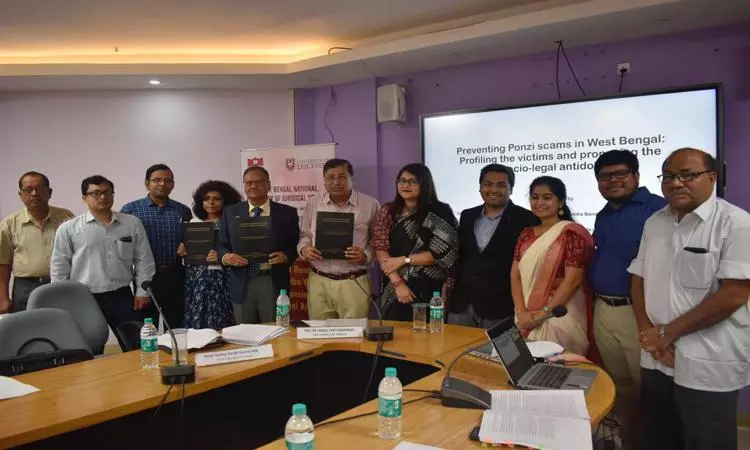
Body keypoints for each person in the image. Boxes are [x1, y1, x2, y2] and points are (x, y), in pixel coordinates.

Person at [628, 148, 750, 450]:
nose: (676, 183)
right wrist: (648, 334)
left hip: (707, 358)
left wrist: (667, 333)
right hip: (657, 355)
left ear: (712, 177)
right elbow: (639, 277)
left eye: (687, 175)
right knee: (659, 436)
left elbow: (734, 294)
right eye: (668, 176)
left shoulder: (736, 223)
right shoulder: (655, 222)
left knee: (707, 440)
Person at [589, 150, 665, 449]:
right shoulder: (604, 214)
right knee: (619, 385)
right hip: (603, 308)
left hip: (639, 312)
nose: (613, 181)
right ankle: (630, 441)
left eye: (621, 173)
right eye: (605, 176)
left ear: (636, 176)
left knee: (647, 386)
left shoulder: (658, 210)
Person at [50, 175, 155, 346]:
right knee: (90, 346)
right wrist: (64, 300)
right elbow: (59, 268)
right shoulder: (69, 228)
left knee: (135, 344)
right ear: (84, 198)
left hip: (121, 296)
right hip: (84, 298)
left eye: (107, 192)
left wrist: (142, 292)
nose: (103, 197)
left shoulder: (131, 223)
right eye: (96, 193)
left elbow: (144, 260)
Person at [510, 176, 593, 356]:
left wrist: (544, 314)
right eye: (535, 197)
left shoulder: (571, 233)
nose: (539, 202)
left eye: (547, 197)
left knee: (559, 366)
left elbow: (572, 280)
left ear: (560, 202)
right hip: (525, 314)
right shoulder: (526, 234)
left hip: (560, 314)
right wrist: (522, 312)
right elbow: (515, 275)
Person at [449, 164, 537, 328]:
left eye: (501, 185)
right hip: (463, 304)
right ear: (480, 187)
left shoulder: (526, 219)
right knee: (454, 345)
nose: (493, 190)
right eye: (488, 184)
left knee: (498, 347)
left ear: (511, 189)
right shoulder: (468, 215)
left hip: (501, 306)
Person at [371, 163, 458, 321]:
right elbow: (380, 248)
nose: (405, 185)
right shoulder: (389, 211)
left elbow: (444, 254)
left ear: (424, 184)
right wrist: (398, 283)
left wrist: (404, 260)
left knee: (431, 332)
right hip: (395, 286)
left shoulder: (440, 211)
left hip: (432, 288)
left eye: (413, 181)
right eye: (402, 180)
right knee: (396, 332)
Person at [298, 159, 380, 320]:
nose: (336, 182)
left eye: (342, 177)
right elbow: (305, 235)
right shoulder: (313, 203)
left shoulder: (370, 204)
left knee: (354, 334)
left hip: (353, 281)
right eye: (330, 178)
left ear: (352, 179)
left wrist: (366, 255)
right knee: (319, 332)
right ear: (324, 180)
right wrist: (304, 249)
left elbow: (378, 241)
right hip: (319, 280)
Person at [219, 166, 299, 324]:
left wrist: (286, 256)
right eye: (248, 183)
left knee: (273, 330)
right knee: (243, 332)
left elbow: (295, 243)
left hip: (272, 279)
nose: (253, 186)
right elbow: (221, 243)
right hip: (241, 280)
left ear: (268, 184)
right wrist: (226, 257)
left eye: (259, 182)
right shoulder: (230, 212)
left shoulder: (287, 212)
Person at [121, 164, 192, 328]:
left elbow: (190, 239)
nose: (162, 184)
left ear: (173, 184)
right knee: (146, 328)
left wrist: (187, 247)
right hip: (146, 279)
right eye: (156, 180)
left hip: (176, 276)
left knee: (177, 327)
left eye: (167, 180)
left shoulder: (183, 211)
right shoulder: (130, 210)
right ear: (147, 184)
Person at [0, 172, 73, 313]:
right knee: (27, 325)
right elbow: (3, 262)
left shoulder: (66, 217)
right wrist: (2, 297)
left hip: (59, 284)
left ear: (49, 192)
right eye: (28, 190)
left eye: (39, 189)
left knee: (60, 322)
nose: (34, 193)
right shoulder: (10, 223)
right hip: (25, 287)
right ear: (20, 195)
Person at [177, 181, 242, 330]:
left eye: (217, 198)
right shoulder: (194, 222)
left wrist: (221, 256)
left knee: (220, 319)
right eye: (206, 199)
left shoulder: (232, 224)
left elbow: (239, 250)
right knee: (195, 317)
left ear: (226, 201)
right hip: (194, 278)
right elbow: (187, 251)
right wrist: (183, 251)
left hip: (221, 278)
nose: (211, 202)